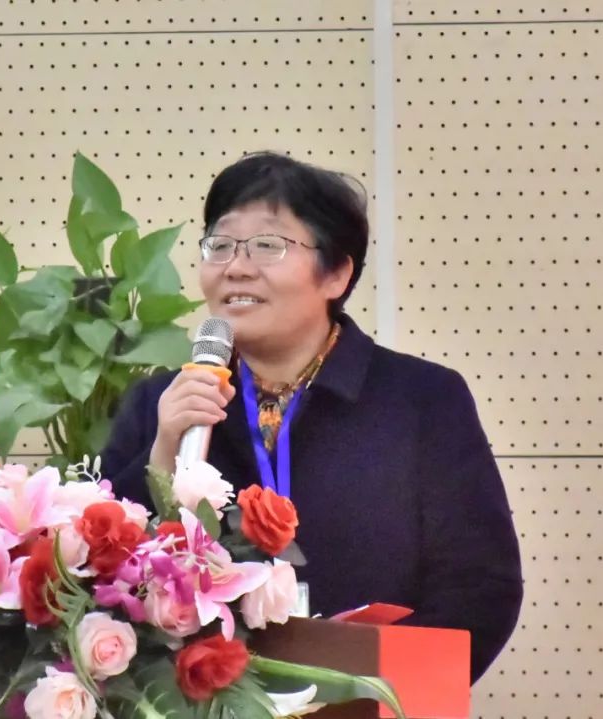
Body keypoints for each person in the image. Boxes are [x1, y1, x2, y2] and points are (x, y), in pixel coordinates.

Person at [99, 151, 523, 684]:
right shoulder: (161, 406)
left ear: (337, 273)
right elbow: (101, 582)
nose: (236, 267)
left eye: (267, 246)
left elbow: (480, 589)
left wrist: (377, 694)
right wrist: (164, 451)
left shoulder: (423, 400)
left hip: (368, 703)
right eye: (220, 245)